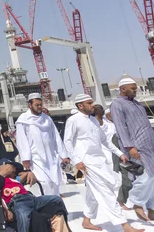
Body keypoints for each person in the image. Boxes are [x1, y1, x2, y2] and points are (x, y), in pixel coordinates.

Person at [64, 93, 143, 232]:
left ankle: (86, 220)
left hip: (99, 160)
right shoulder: (73, 120)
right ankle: (124, 225)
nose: (92, 105)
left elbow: (104, 141)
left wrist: (120, 154)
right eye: (89, 103)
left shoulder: (93, 121)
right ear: (80, 105)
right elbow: (68, 142)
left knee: (94, 192)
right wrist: (77, 161)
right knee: (106, 192)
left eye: (92, 102)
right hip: (87, 162)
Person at [0, 143, 69, 232]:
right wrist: (2, 173)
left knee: (56, 206)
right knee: (36, 219)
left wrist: (28, 173)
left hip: (24, 198)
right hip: (1, 205)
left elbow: (13, 174)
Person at [111, 77, 154, 221]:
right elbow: (121, 127)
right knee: (145, 177)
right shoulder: (117, 104)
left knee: (153, 177)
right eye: (133, 88)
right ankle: (136, 202)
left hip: (149, 146)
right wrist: (130, 147)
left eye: (136, 88)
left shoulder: (137, 103)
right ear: (123, 89)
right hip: (136, 147)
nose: (136, 90)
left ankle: (151, 207)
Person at [15, 93, 70, 197]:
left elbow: (56, 137)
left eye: (40, 104)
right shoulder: (23, 120)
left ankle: (56, 206)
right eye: (37, 105)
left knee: (55, 182)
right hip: (36, 157)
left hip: (51, 156)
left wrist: (64, 155)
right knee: (44, 182)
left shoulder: (47, 119)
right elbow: (22, 140)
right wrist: (25, 158)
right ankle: (48, 206)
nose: (39, 107)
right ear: (30, 105)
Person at [108, 108, 133, 210]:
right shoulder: (116, 136)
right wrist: (116, 165)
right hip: (124, 161)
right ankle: (121, 201)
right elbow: (115, 152)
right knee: (127, 181)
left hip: (136, 160)